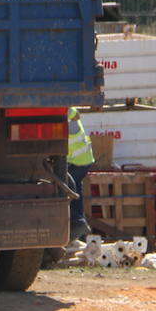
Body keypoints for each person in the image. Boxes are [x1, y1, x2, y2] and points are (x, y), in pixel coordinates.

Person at [65, 106, 94, 252]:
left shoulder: (66, 111)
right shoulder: (71, 111)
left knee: (67, 191)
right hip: (83, 160)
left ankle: (78, 223)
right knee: (76, 193)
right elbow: (74, 112)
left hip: (77, 161)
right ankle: (80, 233)